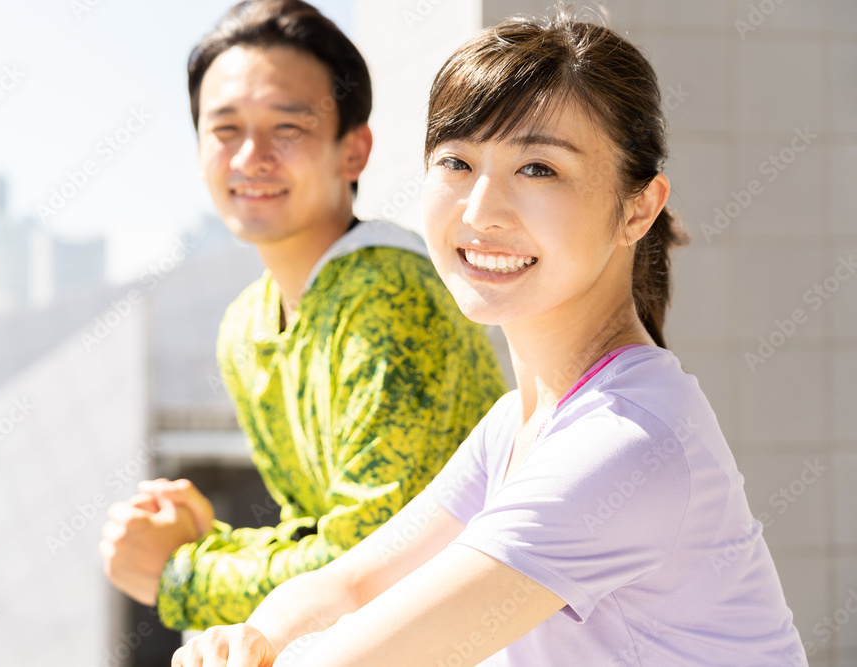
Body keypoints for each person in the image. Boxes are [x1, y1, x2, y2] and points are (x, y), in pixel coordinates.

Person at [171, 11, 809, 667]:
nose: (481, 212)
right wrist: (248, 637)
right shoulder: (517, 425)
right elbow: (350, 583)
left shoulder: (628, 440)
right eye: (456, 161)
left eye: (538, 168)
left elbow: (361, 658)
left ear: (638, 208)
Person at [98, 0, 507, 632]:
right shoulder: (246, 325)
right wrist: (205, 543)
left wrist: (182, 572)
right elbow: (316, 536)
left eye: (287, 127)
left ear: (354, 151)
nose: (251, 156)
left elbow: (372, 567)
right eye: (225, 128)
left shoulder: (390, 295)